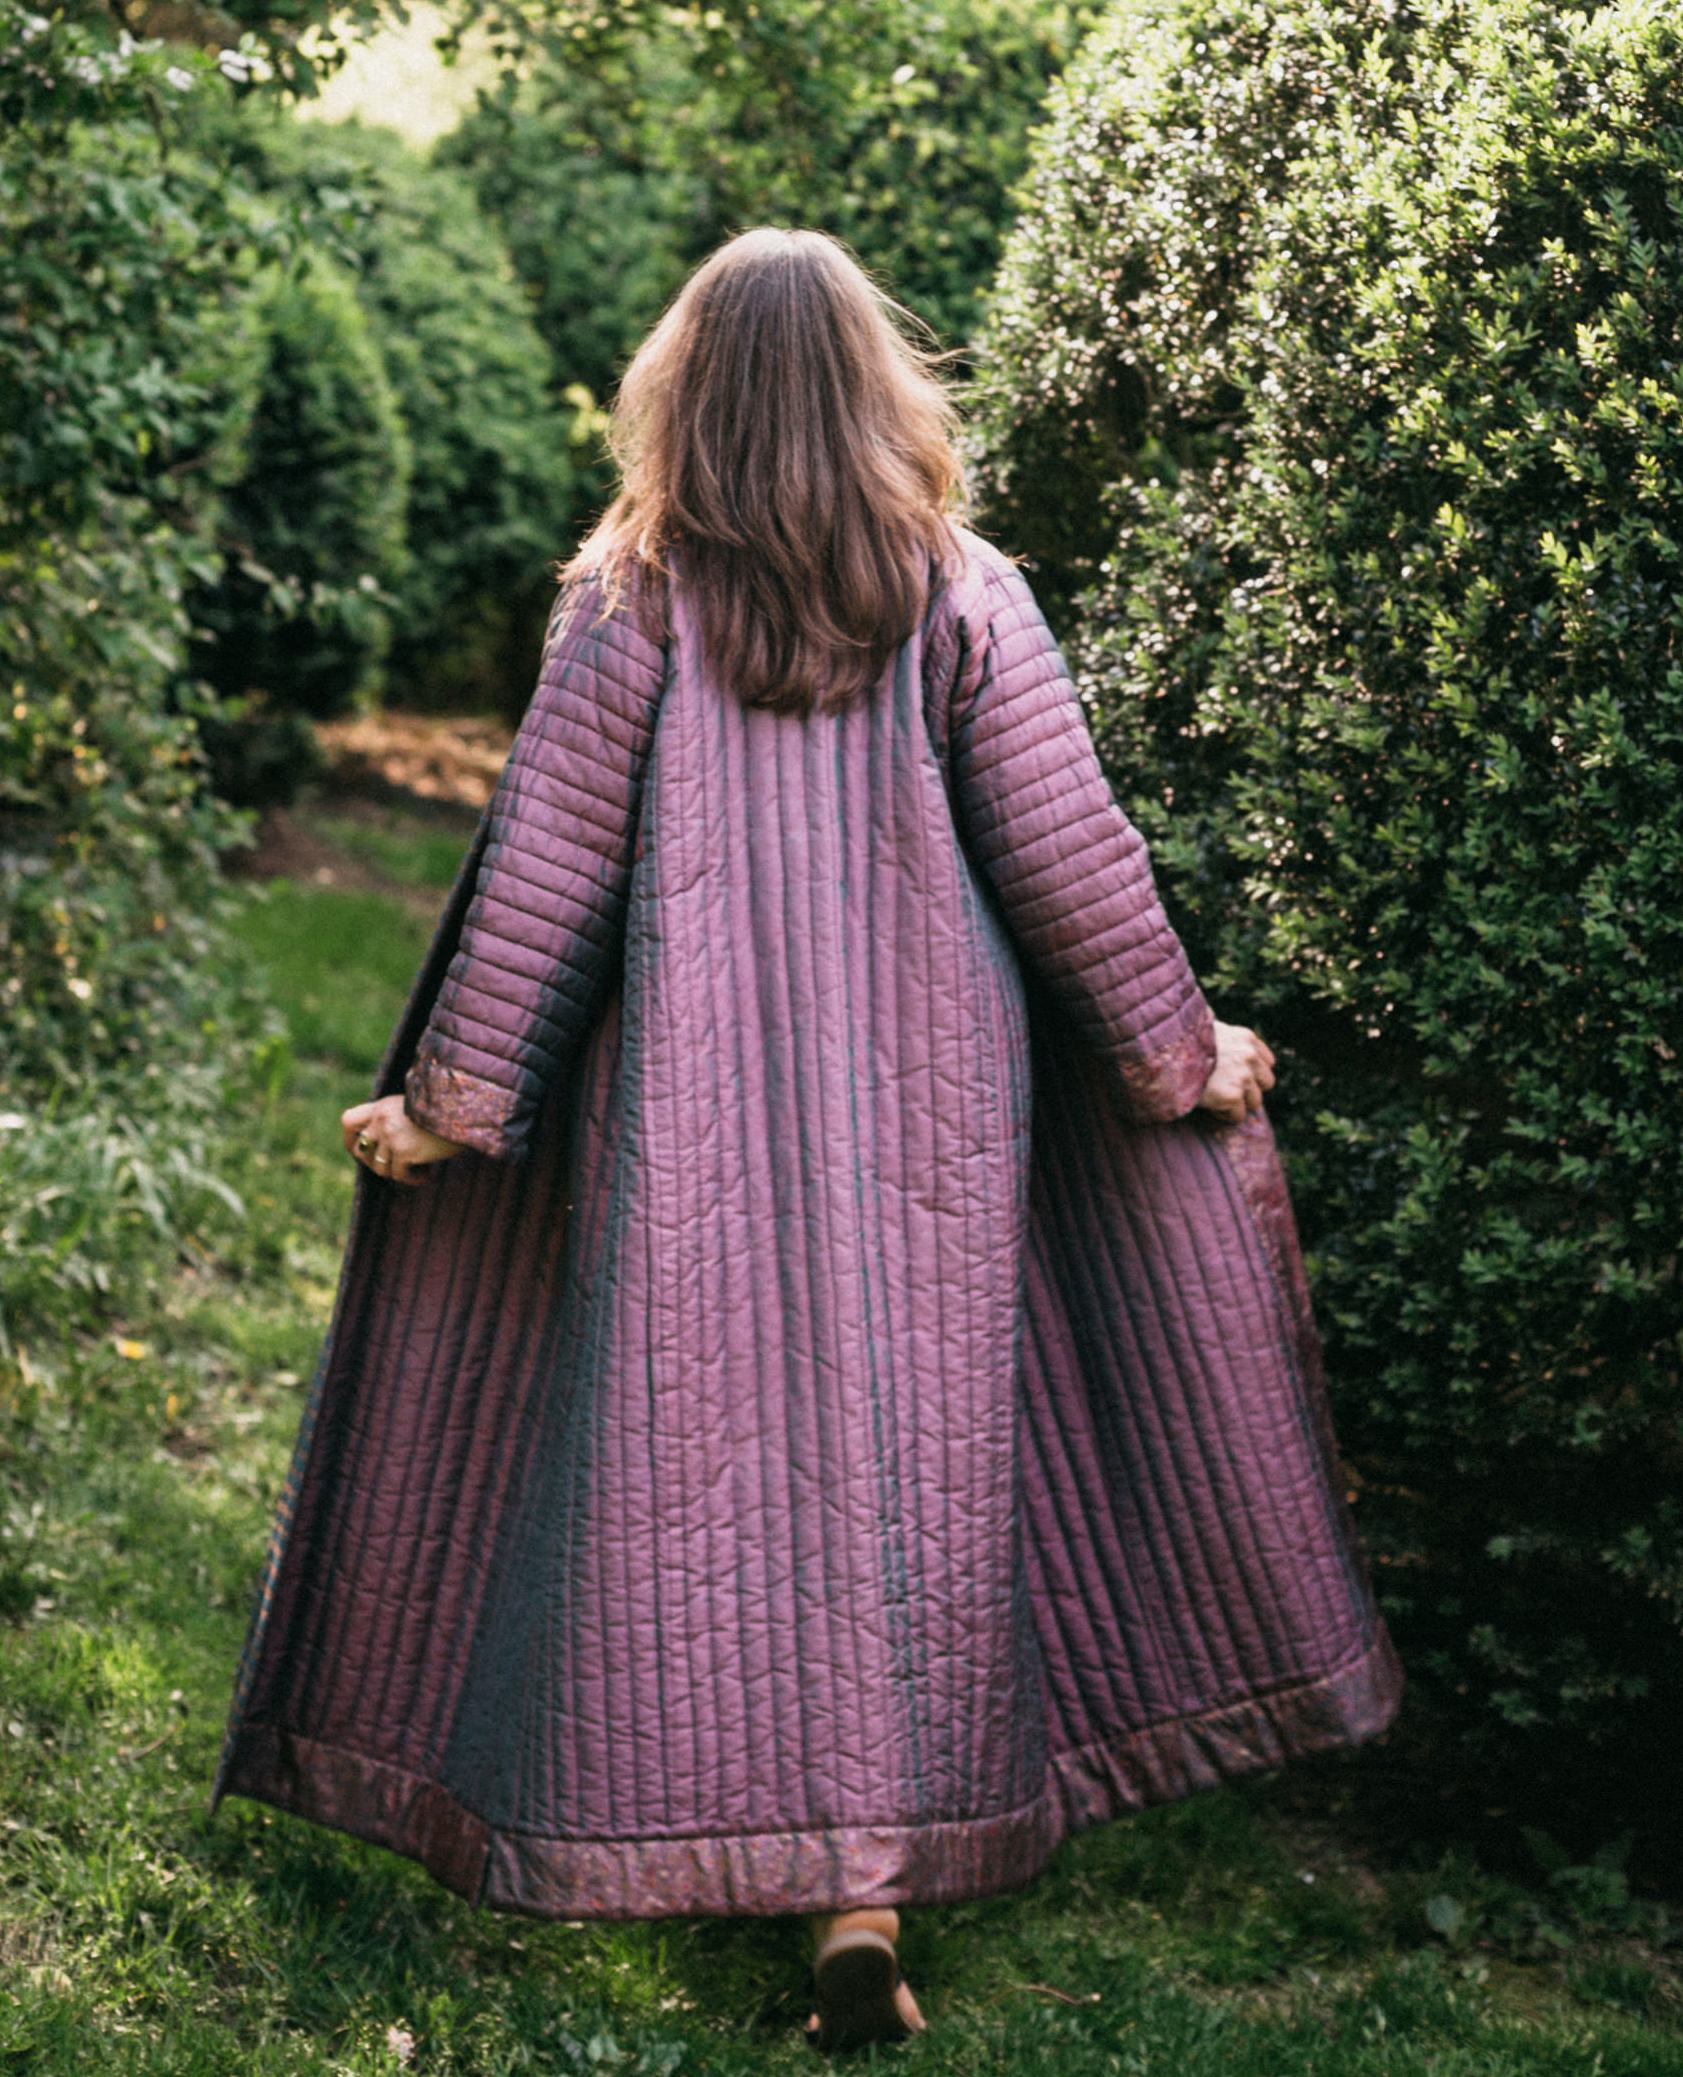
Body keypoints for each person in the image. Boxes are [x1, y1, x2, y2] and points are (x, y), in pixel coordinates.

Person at [214, 225, 1402, 2056]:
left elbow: (545, 877)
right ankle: (865, 1899)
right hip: (935, 1147)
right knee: (896, 1491)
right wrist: (1183, 1053)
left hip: (677, 1132)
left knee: (698, 1499)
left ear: (682, 397)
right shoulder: (961, 590)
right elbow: (1077, 869)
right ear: (876, 387)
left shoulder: (632, 602)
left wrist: (454, 1108)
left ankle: (731, 1838)